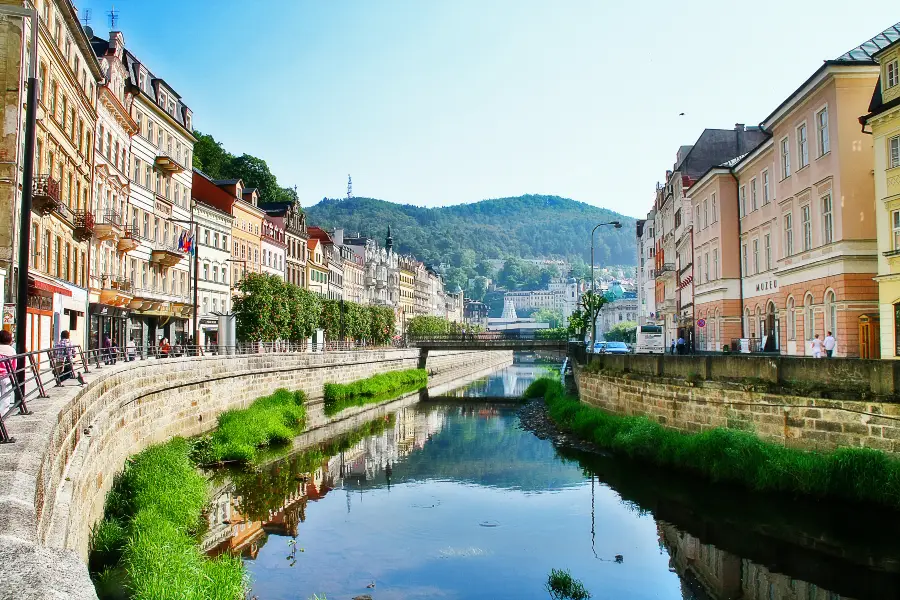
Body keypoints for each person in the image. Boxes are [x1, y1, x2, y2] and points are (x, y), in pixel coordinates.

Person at [0, 330, 16, 415]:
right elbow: (14, 366)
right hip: (6, 376)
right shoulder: (11, 350)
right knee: (6, 396)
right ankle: (3, 416)